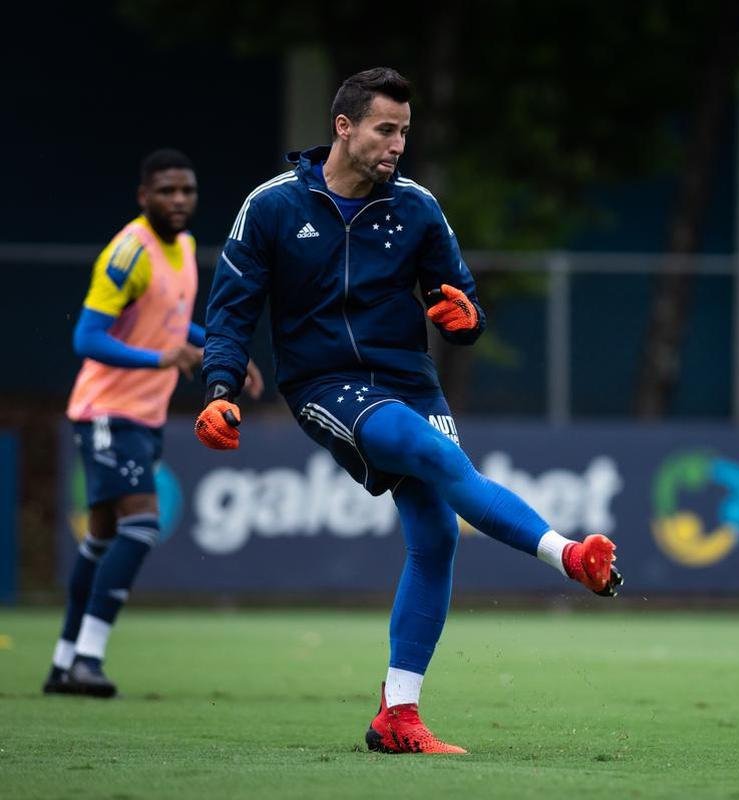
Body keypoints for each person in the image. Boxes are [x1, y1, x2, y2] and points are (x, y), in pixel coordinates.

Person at [195, 67, 621, 754]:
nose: (397, 144)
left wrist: (463, 319)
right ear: (344, 127)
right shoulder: (272, 206)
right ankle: (568, 556)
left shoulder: (416, 207)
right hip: (323, 384)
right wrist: (219, 390)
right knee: (431, 454)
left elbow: (462, 302)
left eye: (404, 132)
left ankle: (398, 714)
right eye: (385, 129)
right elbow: (230, 311)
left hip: (409, 381)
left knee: (436, 539)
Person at [44, 149, 263, 698]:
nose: (179, 200)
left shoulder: (184, 247)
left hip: (144, 415)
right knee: (141, 525)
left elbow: (170, 319)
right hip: (106, 412)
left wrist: (218, 345)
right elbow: (87, 338)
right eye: (166, 191)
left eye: (187, 190)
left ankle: (63, 661)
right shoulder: (128, 254)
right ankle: (88, 658)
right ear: (144, 197)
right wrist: (162, 358)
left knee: (99, 541)